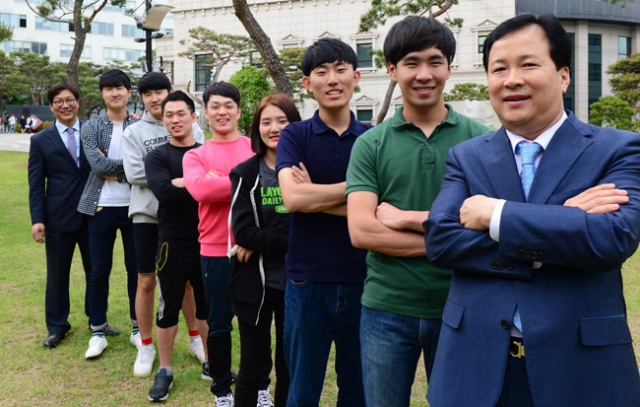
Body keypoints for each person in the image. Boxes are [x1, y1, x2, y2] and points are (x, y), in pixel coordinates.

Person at [424, 14, 640, 407]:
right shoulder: (467, 156)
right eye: (499, 69)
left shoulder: (618, 149)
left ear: (563, 76)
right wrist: (563, 223)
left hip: (580, 366)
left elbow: (613, 239)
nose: (511, 80)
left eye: (528, 64)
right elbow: (441, 240)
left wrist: (496, 215)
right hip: (475, 363)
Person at [345, 16, 492, 406]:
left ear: (449, 67)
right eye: (411, 63)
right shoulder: (370, 144)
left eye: (434, 61)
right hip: (386, 308)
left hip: (462, 306)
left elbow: (490, 228)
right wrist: (453, 238)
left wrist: (409, 220)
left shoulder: (482, 141)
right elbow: (362, 232)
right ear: (392, 70)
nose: (424, 74)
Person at [276, 38, 369, 406]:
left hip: (364, 280)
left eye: (341, 69)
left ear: (356, 76)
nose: (332, 79)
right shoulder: (294, 135)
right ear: (307, 84)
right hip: (307, 280)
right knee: (302, 388)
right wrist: (357, 192)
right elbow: (293, 198)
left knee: (359, 388)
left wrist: (315, 195)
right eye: (321, 72)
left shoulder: (373, 138)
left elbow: (379, 211)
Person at [122, 72, 206, 378]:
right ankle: (146, 344)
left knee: (187, 283)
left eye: (160, 92)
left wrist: (166, 174)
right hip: (147, 214)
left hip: (186, 217)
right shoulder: (133, 132)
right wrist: (171, 178)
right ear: (141, 98)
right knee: (145, 280)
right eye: (148, 94)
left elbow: (204, 165)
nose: (155, 99)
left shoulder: (190, 121)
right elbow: (135, 174)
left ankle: (195, 338)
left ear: (171, 93)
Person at [183, 81, 254, 407]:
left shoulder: (255, 148)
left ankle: (259, 387)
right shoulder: (195, 154)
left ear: (239, 111)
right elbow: (200, 191)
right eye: (215, 106)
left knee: (256, 325)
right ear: (204, 113)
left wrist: (220, 181)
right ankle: (223, 391)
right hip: (213, 250)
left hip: (255, 248)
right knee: (220, 325)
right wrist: (242, 182)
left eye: (228, 106)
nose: (222, 112)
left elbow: (268, 185)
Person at [230, 94, 301, 407]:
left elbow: (316, 227)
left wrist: (261, 242)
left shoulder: (305, 170)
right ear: (257, 128)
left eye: (282, 121)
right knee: (252, 366)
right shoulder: (245, 173)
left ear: (295, 124)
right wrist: (288, 240)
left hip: (298, 285)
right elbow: (242, 230)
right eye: (266, 122)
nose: (274, 128)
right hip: (255, 285)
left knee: (290, 367)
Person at [144, 91, 209, 402]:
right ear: (163, 120)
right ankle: (165, 370)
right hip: (172, 241)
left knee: (208, 304)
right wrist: (200, 183)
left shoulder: (206, 152)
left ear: (193, 117)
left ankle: (212, 363)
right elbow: (165, 194)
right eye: (169, 115)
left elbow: (220, 189)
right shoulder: (157, 156)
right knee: (168, 305)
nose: (175, 119)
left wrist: (182, 182)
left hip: (207, 238)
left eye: (181, 113)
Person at [78, 69, 139, 359]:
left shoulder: (138, 125)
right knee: (99, 270)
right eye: (108, 89)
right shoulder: (91, 127)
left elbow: (145, 165)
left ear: (129, 92)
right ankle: (97, 330)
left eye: (119, 88)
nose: (114, 93)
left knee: (135, 270)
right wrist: (125, 168)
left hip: (134, 206)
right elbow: (98, 167)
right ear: (102, 93)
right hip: (101, 206)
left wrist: (117, 169)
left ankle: (138, 328)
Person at [28, 82, 92, 348]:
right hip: (57, 218)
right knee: (57, 274)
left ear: (77, 101)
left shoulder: (93, 131)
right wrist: (37, 219)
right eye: (58, 101)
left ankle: (97, 321)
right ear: (52, 106)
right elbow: (36, 184)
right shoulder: (41, 140)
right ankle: (57, 326)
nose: (65, 105)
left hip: (93, 214)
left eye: (70, 100)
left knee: (96, 272)